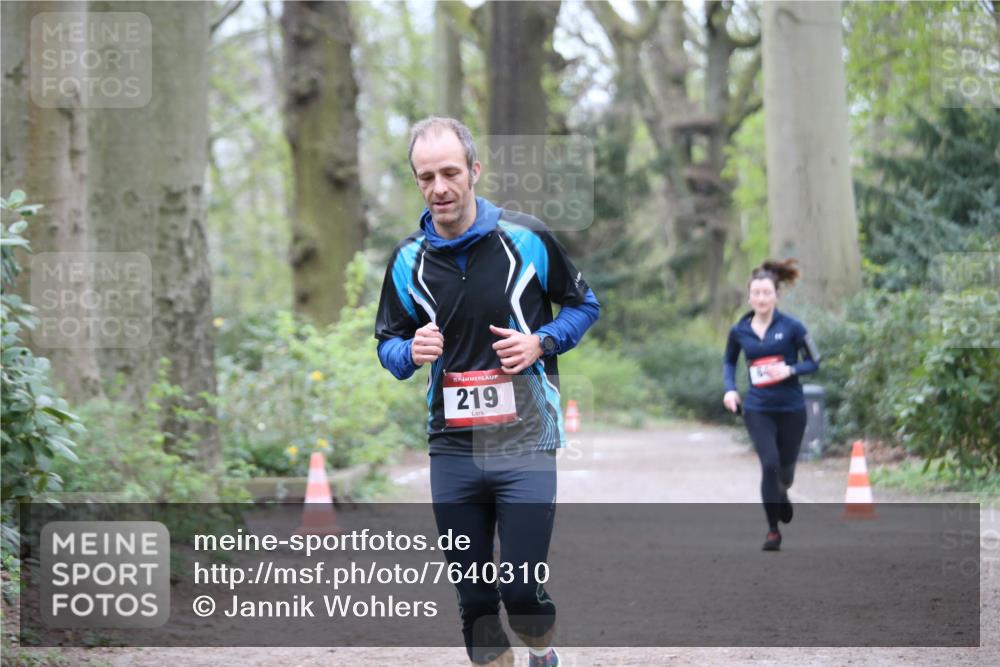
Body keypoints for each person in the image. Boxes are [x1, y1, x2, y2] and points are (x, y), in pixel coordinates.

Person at [374, 116, 600, 666]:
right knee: (475, 602)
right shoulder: (408, 260)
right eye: (426, 177)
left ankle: (543, 655)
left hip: (526, 441)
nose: (440, 188)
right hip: (452, 448)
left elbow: (584, 306)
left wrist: (540, 343)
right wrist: (410, 352)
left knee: (522, 595)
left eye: (450, 172)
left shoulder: (525, 238)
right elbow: (388, 344)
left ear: (474, 170)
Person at [722, 259, 821, 551]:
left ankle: (783, 492)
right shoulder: (739, 330)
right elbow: (729, 361)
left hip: (791, 408)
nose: (762, 299)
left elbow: (816, 361)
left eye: (767, 293)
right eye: (757, 293)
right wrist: (730, 390)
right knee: (769, 465)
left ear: (776, 295)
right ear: (750, 297)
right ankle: (772, 531)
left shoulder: (793, 327)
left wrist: (790, 370)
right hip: (758, 408)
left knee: (785, 473)